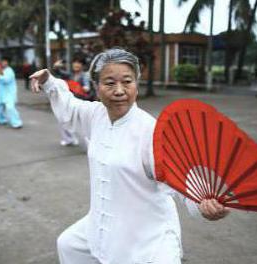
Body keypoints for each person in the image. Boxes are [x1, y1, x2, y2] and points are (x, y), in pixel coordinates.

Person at [30, 48, 229, 264]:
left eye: (127, 81)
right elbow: (70, 106)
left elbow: (182, 176)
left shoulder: (151, 132)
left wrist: (203, 203)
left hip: (146, 233)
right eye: (109, 83)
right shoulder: (96, 115)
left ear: (137, 85)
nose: (119, 91)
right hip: (102, 220)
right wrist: (49, 81)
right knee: (69, 245)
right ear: (96, 87)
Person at [0, 57, 23, 128]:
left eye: (5, 61)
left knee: (10, 108)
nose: (3, 63)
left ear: (8, 62)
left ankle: (17, 123)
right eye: (2, 61)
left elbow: (6, 80)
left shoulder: (10, 71)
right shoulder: (1, 70)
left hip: (9, 94)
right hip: (2, 94)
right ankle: (1, 120)